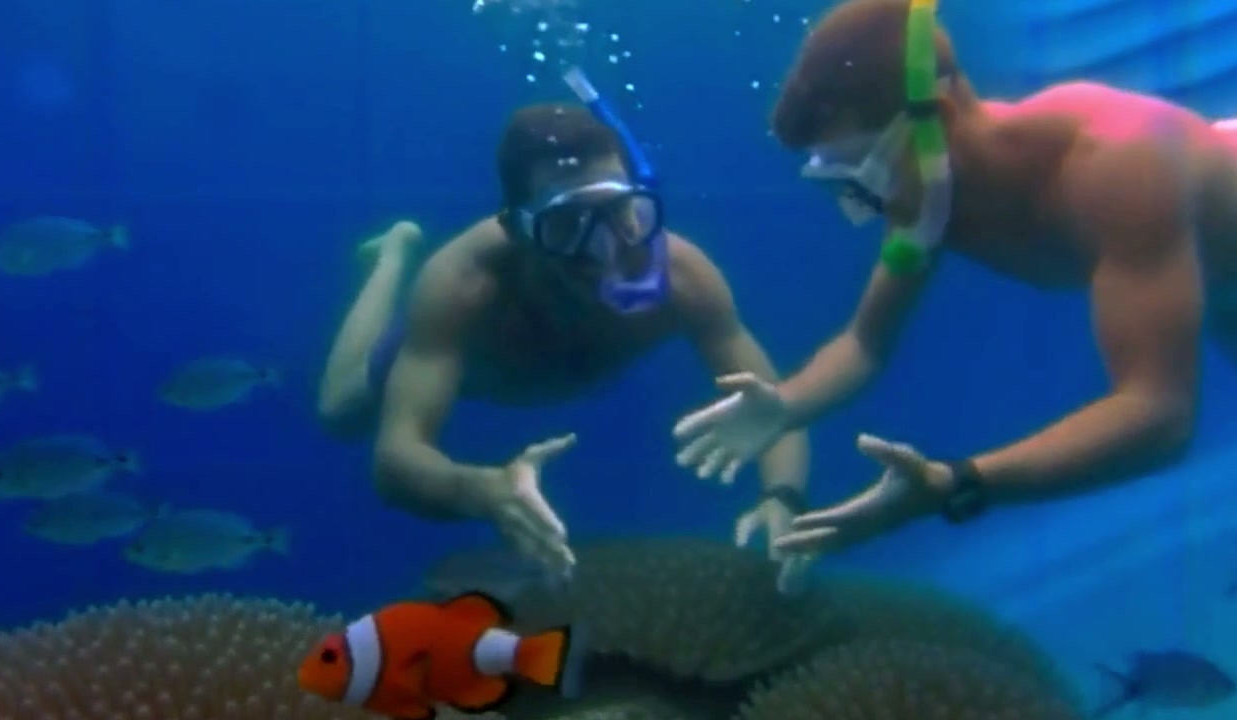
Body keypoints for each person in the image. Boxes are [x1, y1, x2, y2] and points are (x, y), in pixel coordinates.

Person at [672, 0, 1237, 558]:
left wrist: (956, 482)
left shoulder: (1118, 164)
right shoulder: (929, 199)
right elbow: (865, 343)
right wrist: (784, 406)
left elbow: (1159, 414)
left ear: (938, 118)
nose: (865, 205)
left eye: (865, 174)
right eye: (840, 185)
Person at [317, 71, 810, 589]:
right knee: (338, 411)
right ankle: (393, 254)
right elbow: (395, 458)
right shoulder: (461, 286)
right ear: (517, 230)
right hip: (474, 368)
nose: (605, 250)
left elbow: (777, 404)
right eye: (566, 223)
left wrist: (783, 497)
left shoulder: (683, 279)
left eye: (619, 213)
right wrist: (483, 491)